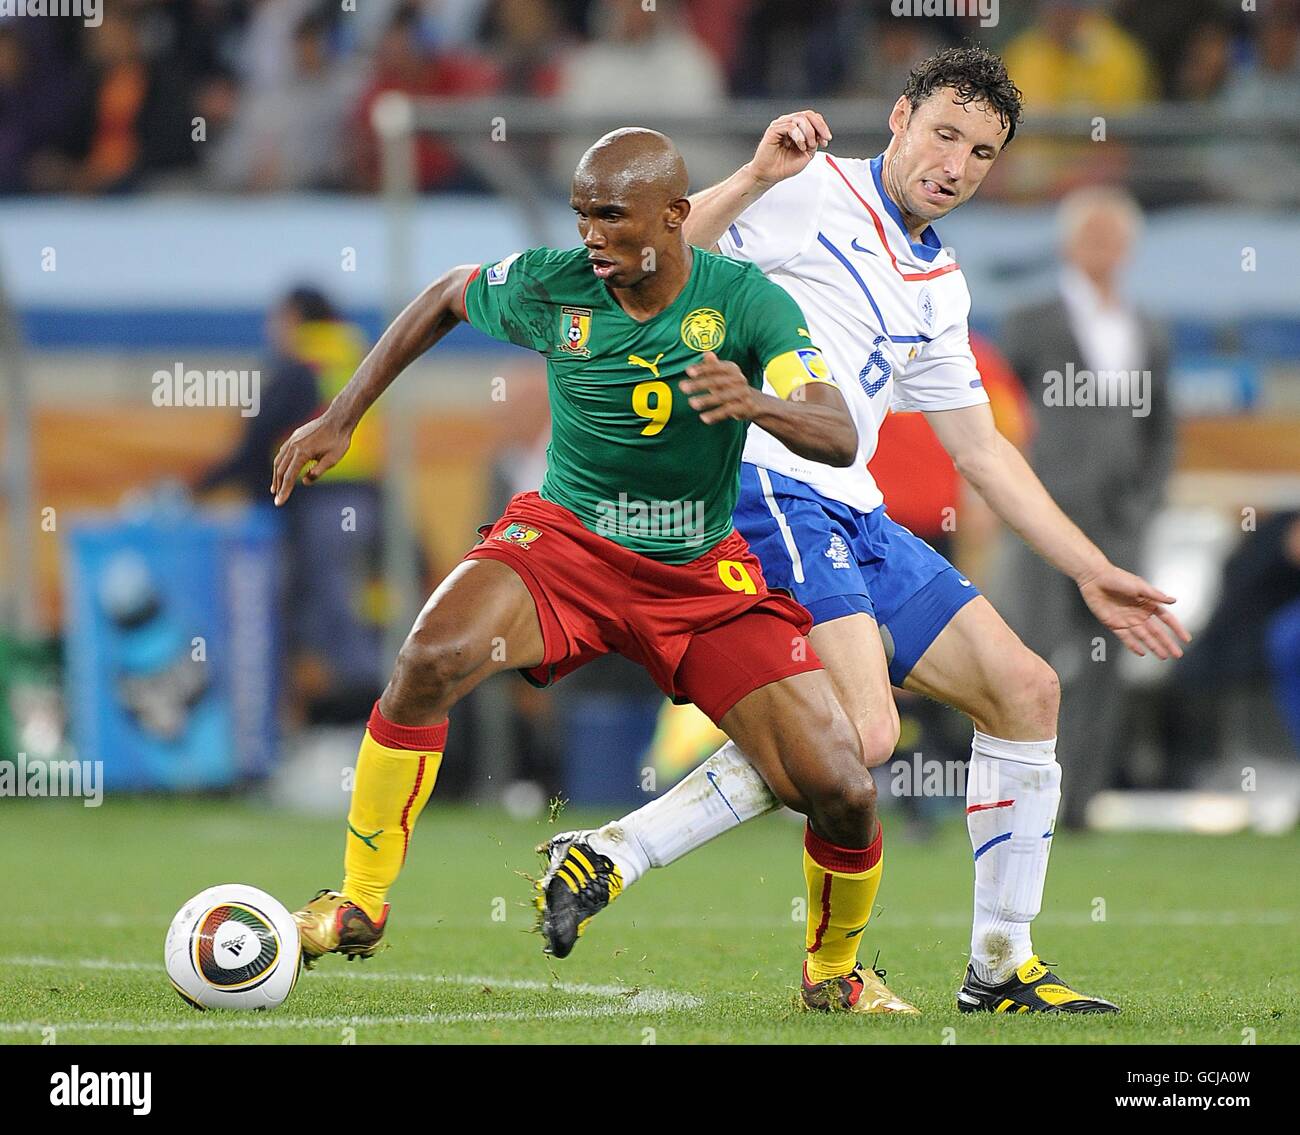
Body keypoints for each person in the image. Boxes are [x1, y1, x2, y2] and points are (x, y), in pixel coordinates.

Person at [538, 46, 1189, 1014]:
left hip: (858, 511)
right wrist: (756, 173)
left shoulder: (942, 283)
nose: (956, 163)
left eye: (980, 150)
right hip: (768, 486)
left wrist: (1093, 570)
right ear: (897, 118)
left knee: (1024, 690)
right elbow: (646, 262)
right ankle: (649, 868)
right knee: (863, 733)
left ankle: (999, 964)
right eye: (942, 133)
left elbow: (982, 453)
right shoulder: (808, 188)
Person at [271, 127, 919, 1014]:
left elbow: (838, 433)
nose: (592, 236)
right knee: (429, 656)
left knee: (843, 786)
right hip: (567, 546)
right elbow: (444, 297)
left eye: (611, 216)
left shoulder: (746, 302)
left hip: (697, 575)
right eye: (582, 214)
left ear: (676, 216)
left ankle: (835, 971)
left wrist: (754, 401)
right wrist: (341, 416)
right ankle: (359, 901)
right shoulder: (553, 282)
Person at [1000, 186, 1175, 829]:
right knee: (1036, 654)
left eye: (1113, 238)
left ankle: (1082, 800)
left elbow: (1162, 426)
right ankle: (1024, 797)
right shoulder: (1031, 320)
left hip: (1119, 524)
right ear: (1069, 245)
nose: (1103, 250)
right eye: (1091, 237)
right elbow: (993, 416)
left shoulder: (1148, 327)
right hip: (1043, 518)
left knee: (1109, 661)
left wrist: (1146, 503)